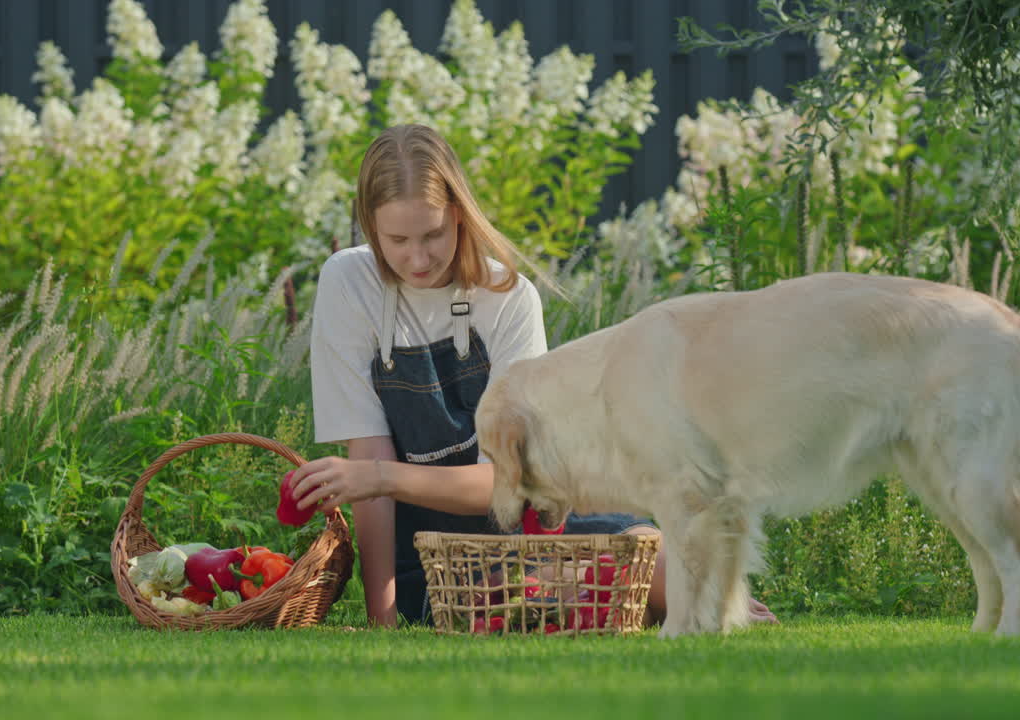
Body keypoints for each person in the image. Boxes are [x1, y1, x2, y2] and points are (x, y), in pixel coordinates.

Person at [289, 123, 777, 629]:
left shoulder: (509, 299)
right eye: (397, 240)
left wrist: (376, 478)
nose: (418, 258)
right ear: (371, 228)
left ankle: (675, 595)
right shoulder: (349, 282)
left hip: (527, 524)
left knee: (652, 558)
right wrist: (381, 620)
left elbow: (507, 480)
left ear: (459, 215)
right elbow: (370, 460)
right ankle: (617, 596)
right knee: (548, 595)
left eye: (434, 234)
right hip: (432, 555)